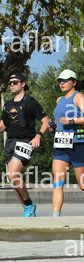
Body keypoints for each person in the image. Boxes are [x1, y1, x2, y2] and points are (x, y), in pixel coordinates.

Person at [0, 73, 49, 217]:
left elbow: (46, 120)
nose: (11, 85)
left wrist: (38, 136)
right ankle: (27, 210)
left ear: (23, 84)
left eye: (15, 82)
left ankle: (29, 204)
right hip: (10, 142)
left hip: (25, 141)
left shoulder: (30, 102)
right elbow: (4, 124)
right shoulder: (8, 104)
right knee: (12, 178)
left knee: (13, 174)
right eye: (10, 83)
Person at [49, 69, 84, 217]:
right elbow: (59, 121)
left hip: (77, 144)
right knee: (58, 181)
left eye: (65, 80)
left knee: (82, 184)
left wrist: (71, 121)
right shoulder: (59, 100)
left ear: (74, 82)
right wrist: (53, 126)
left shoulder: (79, 97)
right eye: (59, 81)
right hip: (61, 145)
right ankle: (55, 216)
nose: (61, 83)